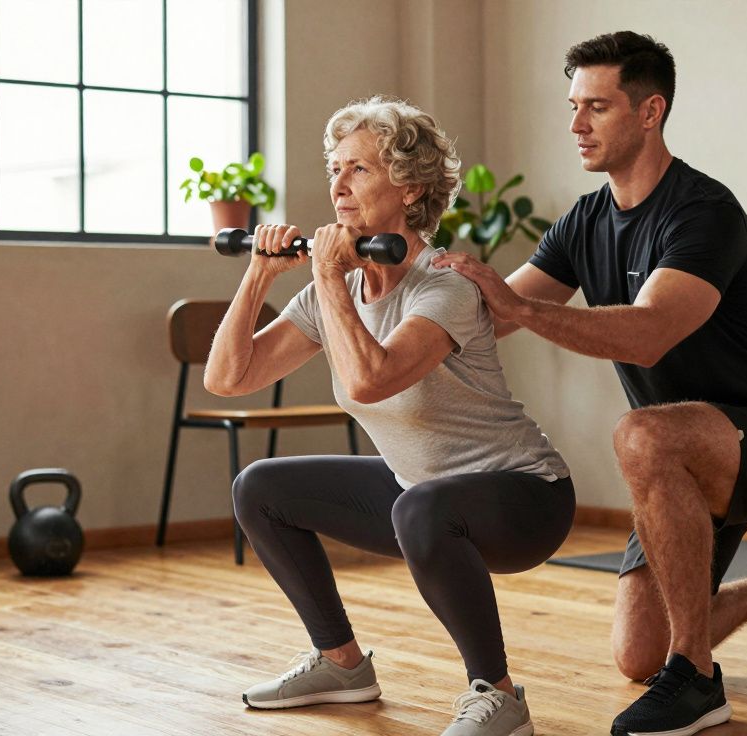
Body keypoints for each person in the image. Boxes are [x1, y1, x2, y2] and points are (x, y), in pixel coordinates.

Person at [433, 32, 747, 736]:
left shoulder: (704, 213)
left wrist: (524, 307)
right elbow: (491, 319)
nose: (575, 125)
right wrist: (400, 291)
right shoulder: (584, 221)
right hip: (674, 462)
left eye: (596, 107)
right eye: (572, 107)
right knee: (637, 654)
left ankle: (700, 681)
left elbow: (651, 330)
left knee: (641, 433)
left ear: (650, 112)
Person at [204, 96, 575, 736]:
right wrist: (260, 276)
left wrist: (323, 278)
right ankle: (341, 664)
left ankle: (500, 695)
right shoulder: (340, 286)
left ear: (411, 189)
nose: (338, 185)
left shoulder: (445, 287)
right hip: (419, 493)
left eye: (360, 170)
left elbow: (369, 380)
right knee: (259, 487)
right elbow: (229, 378)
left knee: (421, 507)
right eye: (336, 168)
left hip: (525, 498)